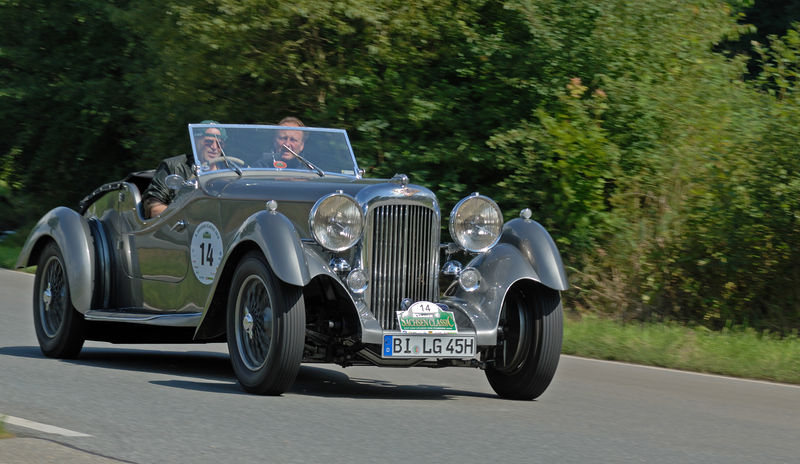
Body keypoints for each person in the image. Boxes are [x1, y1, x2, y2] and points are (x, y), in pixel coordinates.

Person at [142, 120, 227, 218]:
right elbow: (153, 207)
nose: (214, 147)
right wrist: (186, 216)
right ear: (195, 141)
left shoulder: (231, 170)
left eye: (220, 143)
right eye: (208, 141)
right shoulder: (173, 166)